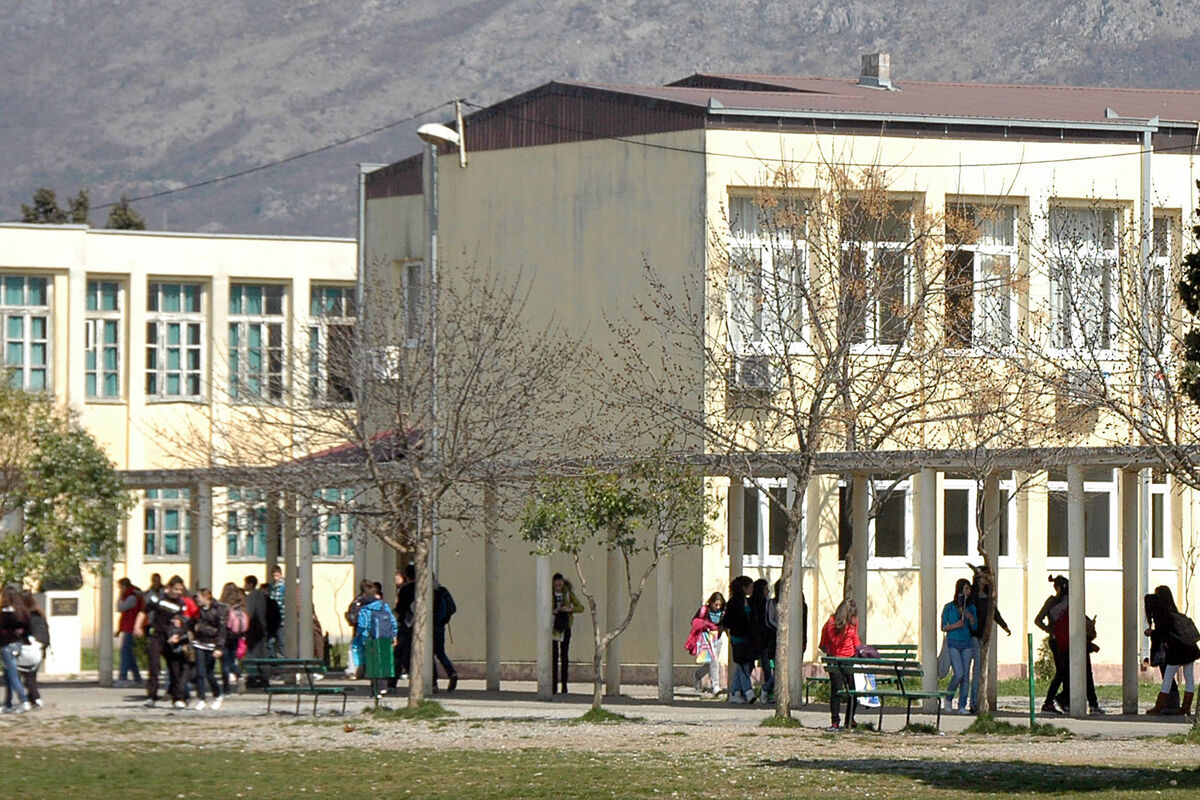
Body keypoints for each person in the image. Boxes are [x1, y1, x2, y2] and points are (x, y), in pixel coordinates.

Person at [138, 575, 195, 708]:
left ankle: (177, 698)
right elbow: (144, 611)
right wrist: (137, 626)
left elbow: (185, 623)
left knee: (175, 668)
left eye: (181, 590)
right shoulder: (158, 599)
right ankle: (151, 697)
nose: (178, 592)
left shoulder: (181, 604)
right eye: (176, 589)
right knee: (154, 666)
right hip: (157, 636)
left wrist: (178, 633)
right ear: (169, 588)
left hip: (172, 638)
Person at [1144, 585, 1199, 717]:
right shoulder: (1175, 613)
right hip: (1189, 648)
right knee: (1189, 678)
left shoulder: (1163, 615)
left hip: (1177, 652)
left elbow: (1163, 633)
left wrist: (1152, 632)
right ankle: (1185, 707)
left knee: (1168, 677)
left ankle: (1159, 706)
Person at [1049, 587, 1103, 715]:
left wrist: (1051, 632)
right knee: (1085, 675)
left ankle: (1063, 699)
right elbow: (1082, 631)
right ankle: (1091, 704)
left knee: (1066, 675)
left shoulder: (1056, 606)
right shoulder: (1074, 606)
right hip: (1075, 645)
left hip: (1062, 645)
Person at [819, 598, 861, 731]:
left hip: (850, 658)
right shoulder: (832, 623)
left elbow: (855, 638)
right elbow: (835, 641)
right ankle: (835, 721)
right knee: (836, 690)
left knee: (854, 689)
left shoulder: (853, 622)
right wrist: (845, 630)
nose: (853, 618)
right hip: (835, 658)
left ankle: (849, 719)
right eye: (851, 614)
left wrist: (859, 650)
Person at [351, 583, 397, 696]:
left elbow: (362, 625)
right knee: (384, 662)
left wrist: (362, 638)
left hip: (371, 638)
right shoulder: (383, 605)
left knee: (372, 664)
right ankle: (384, 686)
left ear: (364, 593)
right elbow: (392, 620)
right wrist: (394, 635)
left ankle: (376, 689)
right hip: (385, 637)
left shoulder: (364, 607)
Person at [941, 578, 979, 715]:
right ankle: (948, 697)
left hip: (967, 643)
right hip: (953, 643)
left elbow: (975, 627)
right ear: (960, 590)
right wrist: (955, 625)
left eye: (969, 589)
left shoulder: (971, 608)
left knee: (966, 676)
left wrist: (971, 618)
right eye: (966, 588)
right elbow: (943, 626)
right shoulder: (949, 607)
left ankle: (962, 706)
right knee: (959, 673)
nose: (968, 591)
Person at [1034, 574, 1069, 714]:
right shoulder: (1052, 602)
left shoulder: (1068, 601)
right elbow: (1038, 620)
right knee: (1061, 672)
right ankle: (1048, 703)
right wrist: (1051, 630)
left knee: (1066, 672)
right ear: (1059, 588)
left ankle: (1063, 699)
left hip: (1065, 639)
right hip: (1056, 641)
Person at [190, 587, 227, 710]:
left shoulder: (218, 609)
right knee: (199, 672)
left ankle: (218, 695)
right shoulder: (199, 610)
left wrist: (219, 647)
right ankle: (201, 698)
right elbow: (191, 623)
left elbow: (222, 630)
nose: (197, 599)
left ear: (207, 597)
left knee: (209, 673)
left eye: (199, 597)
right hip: (199, 642)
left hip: (212, 644)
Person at [722, 575, 756, 704]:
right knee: (743, 664)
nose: (752, 590)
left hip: (748, 638)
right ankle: (748, 691)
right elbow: (727, 621)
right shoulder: (733, 602)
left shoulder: (749, 601)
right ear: (743, 588)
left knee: (743, 665)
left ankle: (734, 692)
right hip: (738, 638)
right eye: (750, 587)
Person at [0, 585, 32, 713]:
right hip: (17, 644)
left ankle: (24, 700)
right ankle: (7, 703)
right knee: (8, 675)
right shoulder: (22, 612)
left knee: (12, 674)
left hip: (6, 646)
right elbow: (28, 629)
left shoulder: (4, 613)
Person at [551, 572, 583, 694]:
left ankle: (564, 685)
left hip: (565, 626)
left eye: (560, 584)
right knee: (554, 656)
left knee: (564, 655)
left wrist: (570, 609)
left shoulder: (568, 594)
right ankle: (554, 685)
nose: (558, 587)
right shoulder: (549, 594)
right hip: (553, 627)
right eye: (556, 585)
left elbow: (580, 607)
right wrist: (552, 611)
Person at [688, 592, 725, 695]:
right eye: (716, 605)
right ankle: (715, 686)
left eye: (720, 605)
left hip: (717, 639)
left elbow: (725, 625)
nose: (718, 607)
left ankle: (698, 675)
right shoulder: (704, 611)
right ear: (711, 603)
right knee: (714, 661)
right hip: (706, 639)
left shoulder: (723, 612)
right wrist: (705, 625)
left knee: (712, 662)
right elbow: (694, 622)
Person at [17, 590, 48, 708]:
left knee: (27, 676)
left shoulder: (27, 616)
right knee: (31, 675)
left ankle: (36, 698)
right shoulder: (39, 613)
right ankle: (32, 699)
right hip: (40, 648)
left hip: (30, 648)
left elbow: (24, 632)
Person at [750, 578, 776, 704]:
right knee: (767, 666)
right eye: (766, 589)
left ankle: (766, 690)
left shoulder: (758, 603)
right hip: (764, 640)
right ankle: (767, 691)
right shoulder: (764, 604)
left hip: (760, 639)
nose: (768, 591)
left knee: (766, 666)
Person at [220, 583, 248, 695]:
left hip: (225, 635)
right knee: (232, 660)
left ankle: (226, 688)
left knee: (225, 663)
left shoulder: (224, 605)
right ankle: (239, 675)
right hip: (236, 636)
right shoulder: (240, 604)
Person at [431, 579, 459, 692]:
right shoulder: (442, 590)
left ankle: (433, 682)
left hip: (429, 625)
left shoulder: (425, 591)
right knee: (440, 652)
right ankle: (451, 672)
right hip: (440, 625)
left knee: (428, 654)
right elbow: (453, 608)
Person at [115, 578, 144, 686]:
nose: (120, 589)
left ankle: (123, 677)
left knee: (125, 652)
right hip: (129, 627)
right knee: (129, 654)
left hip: (130, 628)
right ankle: (137, 677)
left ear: (124, 586)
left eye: (120, 587)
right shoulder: (132, 595)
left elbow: (119, 608)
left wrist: (119, 597)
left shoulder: (131, 597)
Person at [393, 564, 416, 682]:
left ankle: (393, 682)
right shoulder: (424, 589)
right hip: (421, 625)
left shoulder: (405, 590)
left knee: (400, 652)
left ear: (406, 576)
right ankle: (432, 681)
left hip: (406, 624)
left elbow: (400, 608)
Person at [242, 575, 269, 663]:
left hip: (253, 628)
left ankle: (253, 669)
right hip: (262, 626)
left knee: (253, 652)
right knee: (262, 651)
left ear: (250, 584)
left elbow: (249, 613)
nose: (244, 586)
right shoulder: (261, 595)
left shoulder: (251, 597)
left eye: (245, 583)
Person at [268, 566, 286, 657]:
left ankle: (282, 659)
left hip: (281, 618)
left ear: (281, 575)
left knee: (281, 642)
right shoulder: (272, 587)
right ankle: (273, 661)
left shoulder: (283, 587)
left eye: (277, 576)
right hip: (273, 619)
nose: (275, 578)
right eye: (274, 576)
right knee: (270, 642)